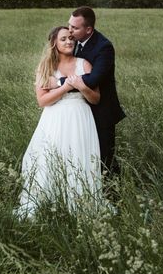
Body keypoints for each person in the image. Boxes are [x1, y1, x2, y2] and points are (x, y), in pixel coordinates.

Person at [16, 26, 102, 219]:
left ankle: (81, 203)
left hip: (81, 117)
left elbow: (95, 98)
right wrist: (66, 87)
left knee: (80, 157)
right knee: (52, 157)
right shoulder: (46, 67)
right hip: (54, 118)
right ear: (54, 43)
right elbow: (42, 101)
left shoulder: (84, 64)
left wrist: (81, 86)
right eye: (63, 39)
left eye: (71, 38)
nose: (69, 42)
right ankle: (51, 202)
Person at [67, 6, 125, 182]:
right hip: (80, 110)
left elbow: (93, 79)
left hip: (102, 110)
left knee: (104, 157)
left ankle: (113, 196)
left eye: (75, 28)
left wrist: (60, 82)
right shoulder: (72, 41)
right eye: (69, 25)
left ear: (89, 29)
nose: (70, 31)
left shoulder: (104, 47)